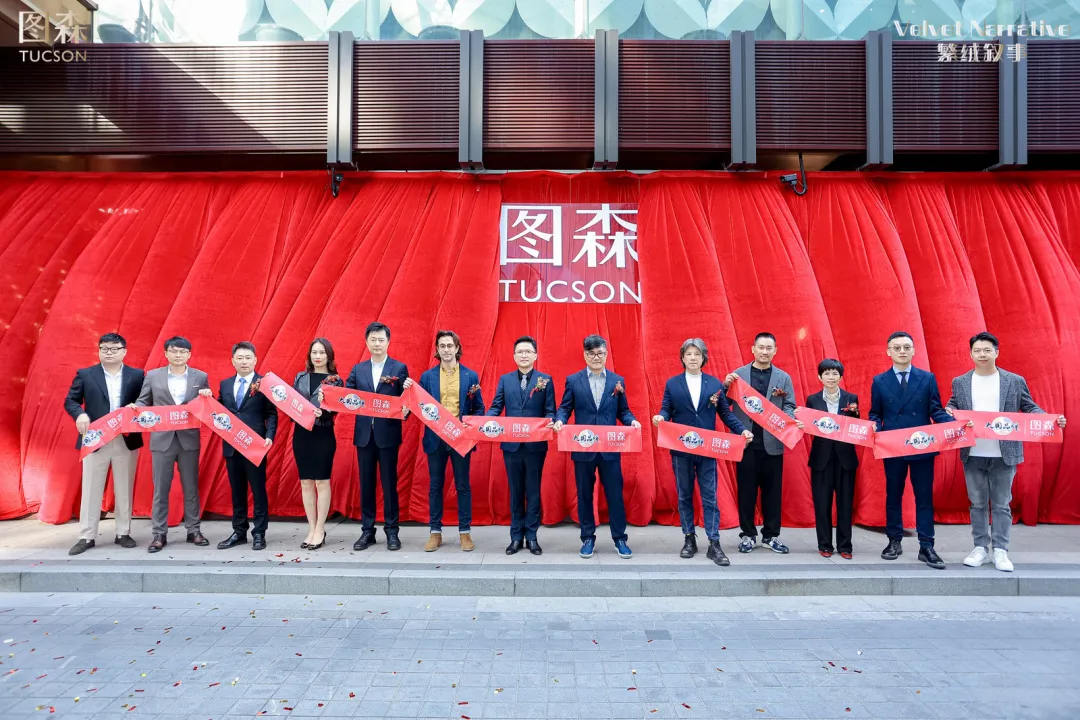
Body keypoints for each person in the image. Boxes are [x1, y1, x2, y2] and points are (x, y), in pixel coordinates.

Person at [945, 332, 1066, 573]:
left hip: (1005, 453)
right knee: (977, 504)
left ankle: (1000, 550)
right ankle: (980, 547)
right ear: (971, 354)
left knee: (1001, 504)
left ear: (996, 352)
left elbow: (1029, 407)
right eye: (977, 351)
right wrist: (948, 412)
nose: (982, 354)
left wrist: (1050, 420)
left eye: (987, 350)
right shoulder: (960, 381)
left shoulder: (1014, 380)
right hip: (973, 452)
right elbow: (953, 405)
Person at [653, 338, 752, 566]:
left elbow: (725, 414)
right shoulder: (673, 384)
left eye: (697, 354)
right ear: (682, 358)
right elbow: (666, 409)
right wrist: (661, 417)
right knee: (684, 494)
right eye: (688, 354)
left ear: (703, 357)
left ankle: (714, 543)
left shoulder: (714, 384)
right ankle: (689, 538)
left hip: (707, 449)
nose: (693, 358)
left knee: (710, 496)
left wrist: (742, 430)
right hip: (681, 449)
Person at [868, 331, 952, 569]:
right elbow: (875, 413)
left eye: (906, 347)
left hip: (922, 446)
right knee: (893, 495)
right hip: (893, 447)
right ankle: (894, 541)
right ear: (888, 352)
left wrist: (954, 425)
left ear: (914, 350)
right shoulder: (879, 381)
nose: (902, 351)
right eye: (897, 348)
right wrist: (874, 426)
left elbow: (936, 410)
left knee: (924, 497)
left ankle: (927, 545)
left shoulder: (927, 378)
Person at [553, 334, 641, 559]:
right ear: (584, 355)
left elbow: (623, 411)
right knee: (584, 494)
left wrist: (632, 421)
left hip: (610, 448)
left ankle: (620, 539)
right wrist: (560, 420)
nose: (596, 357)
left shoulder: (616, 381)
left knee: (615, 494)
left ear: (606, 354)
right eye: (591, 353)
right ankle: (587, 538)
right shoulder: (573, 380)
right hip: (583, 448)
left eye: (600, 353)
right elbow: (565, 407)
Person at [63, 333, 145, 555]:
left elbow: (145, 400)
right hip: (95, 438)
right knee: (91, 487)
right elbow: (71, 400)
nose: (109, 352)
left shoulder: (137, 375)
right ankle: (86, 536)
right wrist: (80, 414)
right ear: (99, 350)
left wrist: (137, 407)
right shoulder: (86, 374)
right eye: (104, 348)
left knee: (124, 487)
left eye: (114, 348)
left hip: (125, 438)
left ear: (124, 352)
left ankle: (123, 533)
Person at [406, 330, 485, 553]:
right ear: (437, 349)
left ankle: (465, 532)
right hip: (435, 438)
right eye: (442, 346)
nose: (446, 350)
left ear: (457, 348)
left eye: (450, 345)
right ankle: (435, 532)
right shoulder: (427, 377)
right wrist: (407, 393)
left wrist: (470, 424)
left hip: (460, 439)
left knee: (463, 486)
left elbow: (479, 407)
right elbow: (419, 406)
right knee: (435, 486)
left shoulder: (470, 376)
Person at [131, 336, 212, 553]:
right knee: (161, 489)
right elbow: (143, 400)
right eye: (174, 351)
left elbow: (207, 406)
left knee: (191, 487)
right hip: (162, 439)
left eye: (182, 352)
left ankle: (194, 530)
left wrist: (207, 395)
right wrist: (135, 407)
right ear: (166, 353)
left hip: (188, 439)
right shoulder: (153, 376)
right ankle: (159, 533)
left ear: (189, 354)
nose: (178, 355)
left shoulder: (200, 377)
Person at [724, 332, 801, 555]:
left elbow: (789, 404)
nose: (764, 352)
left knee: (772, 493)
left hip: (772, 444)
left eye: (769, 348)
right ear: (753, 349)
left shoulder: (783, 378)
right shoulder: (738, 375)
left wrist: (787, 420)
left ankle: (771, 536)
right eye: (761, 347)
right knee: (746, 492)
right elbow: (724, 404)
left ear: (775, 351)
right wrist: (725, 385)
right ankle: (748, 535)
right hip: (746, 443)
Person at [335, 322, 409, 551]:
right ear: (366, 342)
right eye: (373, 340)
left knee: (389, 485)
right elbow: (347, 397)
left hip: (388, 436)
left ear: (388, 342)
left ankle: (392, 531)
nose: (377, 344)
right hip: (364, 436)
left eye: (381, 340)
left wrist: (406, 407)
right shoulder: (358, 369)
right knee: (366, 484)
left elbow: (405, 400)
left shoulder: (399, 369)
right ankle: (367, 531)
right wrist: (329, 395)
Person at [485, 335, 556, 556]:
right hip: (512, 446)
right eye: (520, 352)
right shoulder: (505, 380)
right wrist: (485, 421)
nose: (524, 355)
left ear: (535, 355)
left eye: (528, 351)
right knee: (515, 491)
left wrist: (551, 420)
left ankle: (532, 536)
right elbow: (496, 406)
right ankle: (516, 537)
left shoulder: (545, 380)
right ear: (514, 356)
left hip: (535, 446)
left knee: (533, 492)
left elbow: (550, 410)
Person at [215, 342, 277, 551]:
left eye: (248, 357)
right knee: (237, 491)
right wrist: (207, 399)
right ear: (232, 361)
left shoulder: (264, 384)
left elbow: (271, 413)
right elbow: (218, 410)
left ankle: (259, 532)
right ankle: (239, 531)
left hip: (255, 445)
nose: (244, 361)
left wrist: (269, 436)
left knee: (258, 490)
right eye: (240, 358)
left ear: (255, 360)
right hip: (232, 446)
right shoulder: (225, 384)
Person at [801, 358, 860, 559]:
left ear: (841, 377)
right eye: (826, 373)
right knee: (822, 503)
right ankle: (825, 544)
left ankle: (845, 546)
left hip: (846, 459)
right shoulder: (813, 399)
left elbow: (856, 426)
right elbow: (810, 426)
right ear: (820, 377)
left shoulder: (851, 399)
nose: (831, 377)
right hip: (821, 458)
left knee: (845, 503)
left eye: (835, 373)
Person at [293, 337, 342, 550]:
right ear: (309, 355)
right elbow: (291, 402)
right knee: (306, 482)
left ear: (329, 356)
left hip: (323, 433)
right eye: (314, 352)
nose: (318, 356)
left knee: (322, 482)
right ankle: (311, 528)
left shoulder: (335, 381)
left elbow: (337, 408)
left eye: (322, 352)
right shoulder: (300, 377)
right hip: (302, 434)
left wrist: (324, 411)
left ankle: (320, 529)